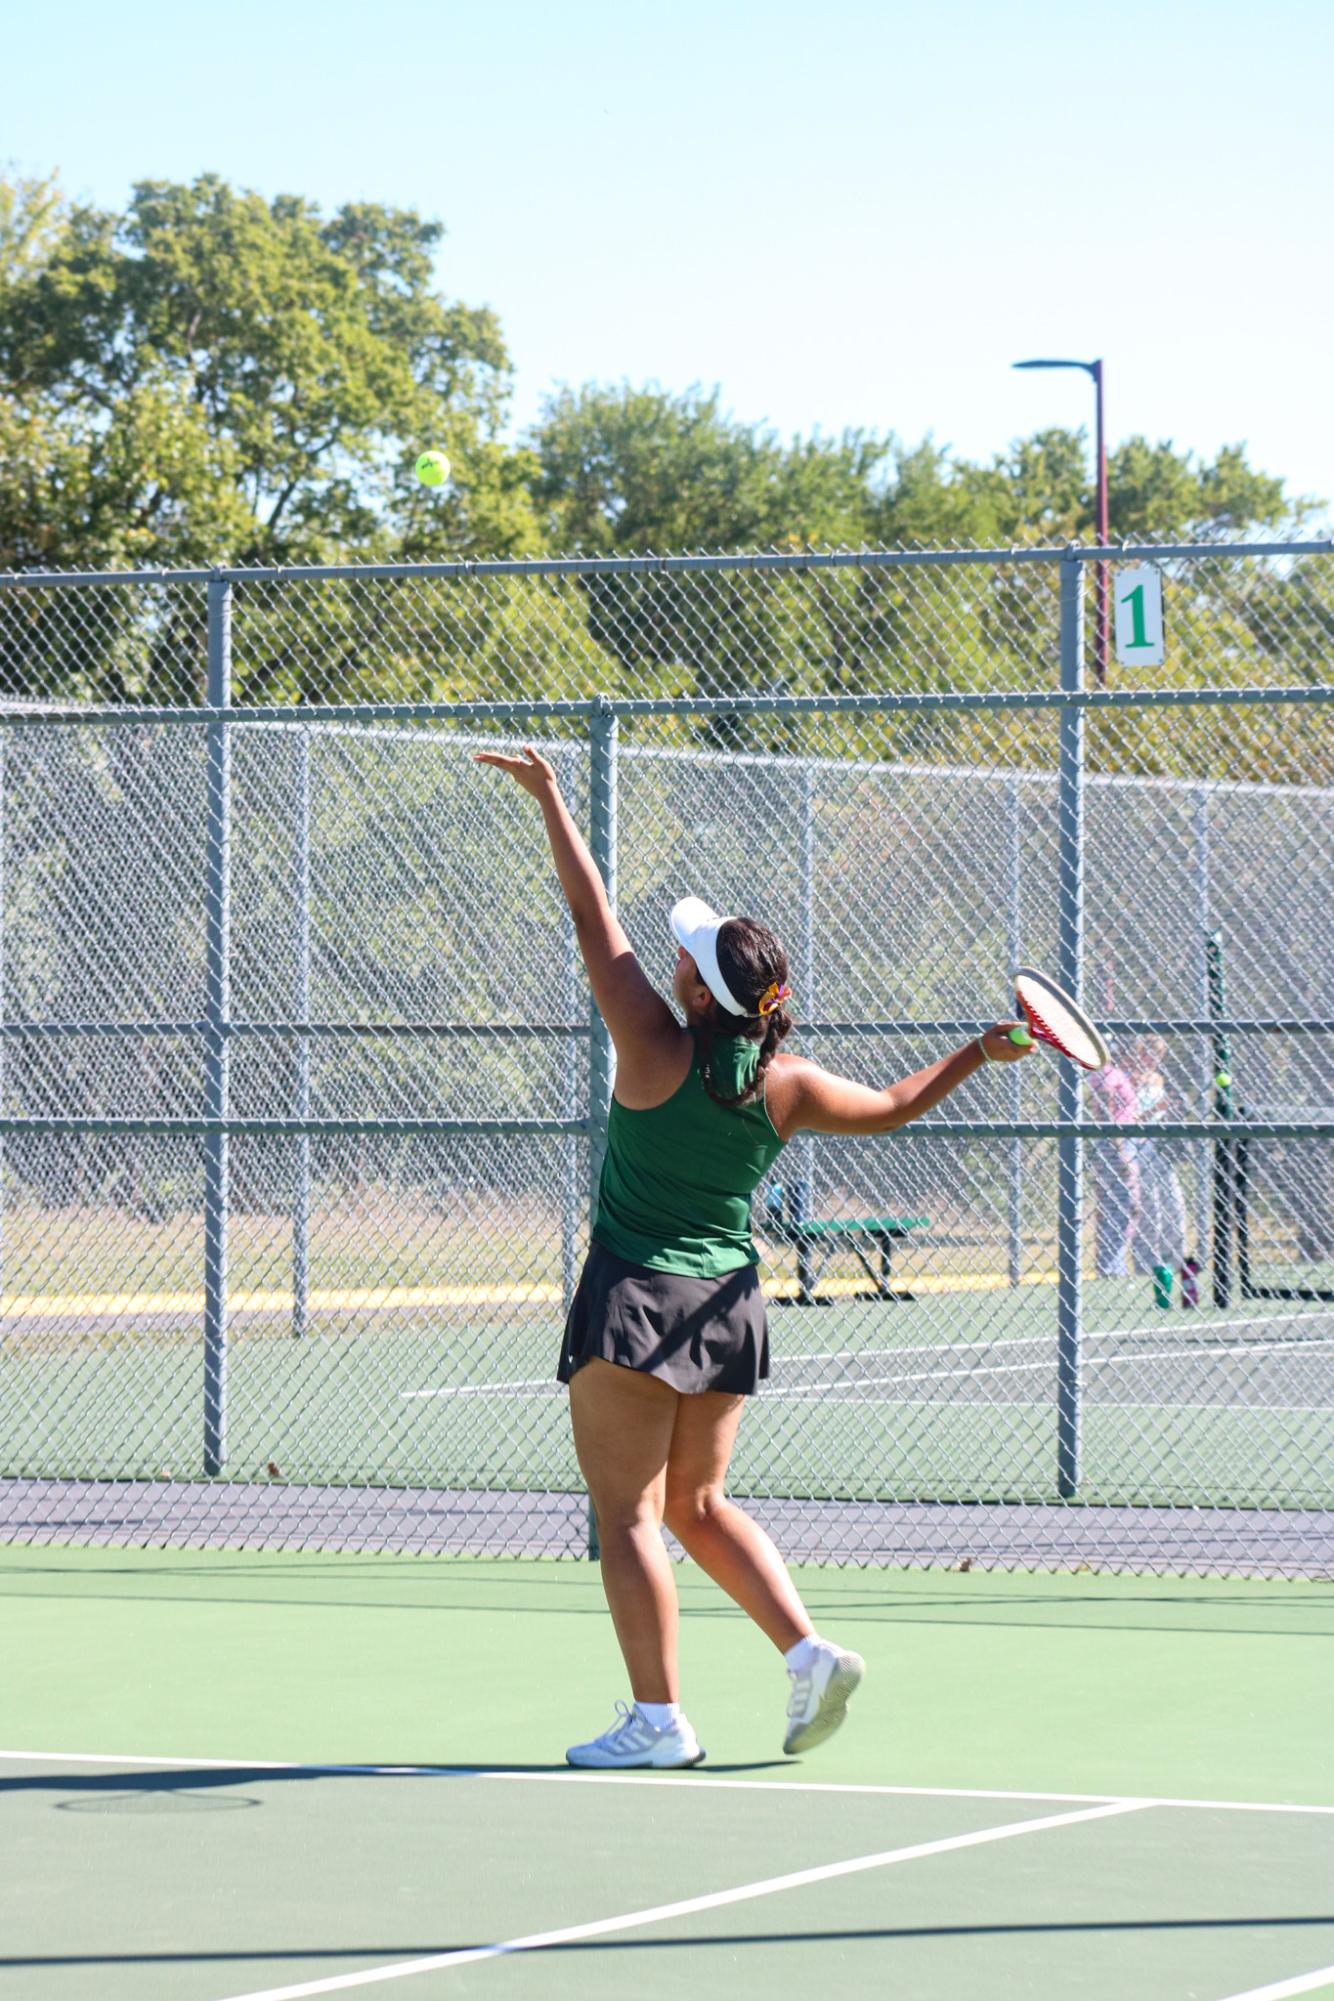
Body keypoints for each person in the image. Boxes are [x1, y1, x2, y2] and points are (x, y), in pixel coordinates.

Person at [477, 744, 1034, 1770]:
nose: (672, 954)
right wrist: (979, 1049)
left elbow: (588, 913)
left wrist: (550, 799)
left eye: (683, 953)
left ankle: (656, 1723)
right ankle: (806, 1650)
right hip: (728, 1305)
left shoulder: (647, 1040)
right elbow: (899, 1109)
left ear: (694, 991)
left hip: (635, 1302)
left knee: (629, 1516)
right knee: (695, 1503)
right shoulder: (787, 1084)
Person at [1126, 1035, 1187, 1306]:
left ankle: (1175, 1262)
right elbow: (1128, 1120)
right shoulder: (1128, 1079)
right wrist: (1155, 1111)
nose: (1152, 1058)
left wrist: (1171, 1111)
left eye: (1157, 1054)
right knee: (1150, 1213)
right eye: (1148, 1052)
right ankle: (1146, 1267)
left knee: (1174, 1206)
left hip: (1161, 1151)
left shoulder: (1158, 1079)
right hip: (1139, 1152)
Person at [1088, 1051, 1140, 1278]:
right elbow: (1105, 1111)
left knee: (1120, 1205)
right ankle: (1111, 1266)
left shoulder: (1115, 1073)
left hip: (1123, 1139)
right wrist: (1120, 1149)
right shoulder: (1106, 1074)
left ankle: (1113, 1264)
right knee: (1122, 1204)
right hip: (1116, 1141)